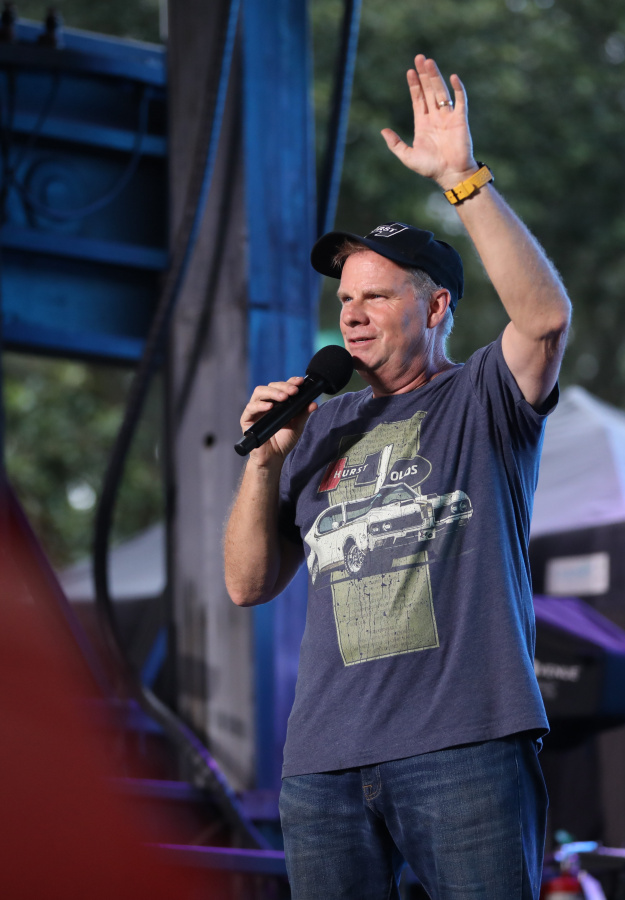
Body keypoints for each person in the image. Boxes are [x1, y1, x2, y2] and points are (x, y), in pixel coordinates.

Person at [223, 54, 571, 899]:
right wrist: (265, 462)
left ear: (436, 307)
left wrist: (461, 180)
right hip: (324, 765)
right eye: (345, 299)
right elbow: (246, 583)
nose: (352, 314)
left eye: (376, 297)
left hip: (464, 748)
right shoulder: (319, 424)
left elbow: (545, 319)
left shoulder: (481, 395)